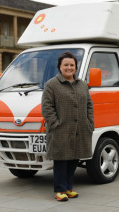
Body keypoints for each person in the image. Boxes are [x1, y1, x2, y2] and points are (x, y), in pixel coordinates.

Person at [41, 52, 94, 202]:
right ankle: (60, 190)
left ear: (76, 67)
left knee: (73, 160)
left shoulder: (82, 84)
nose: (69, 68)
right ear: (60, 67)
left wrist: (90, 123)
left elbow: (89, 105)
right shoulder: (51, 85)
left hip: (81, 129)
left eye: (72, 65)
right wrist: (55, 124)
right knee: (61, 161)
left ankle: (69, 188)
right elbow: (47, 107)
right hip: (60, 130)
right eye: (66, 65)